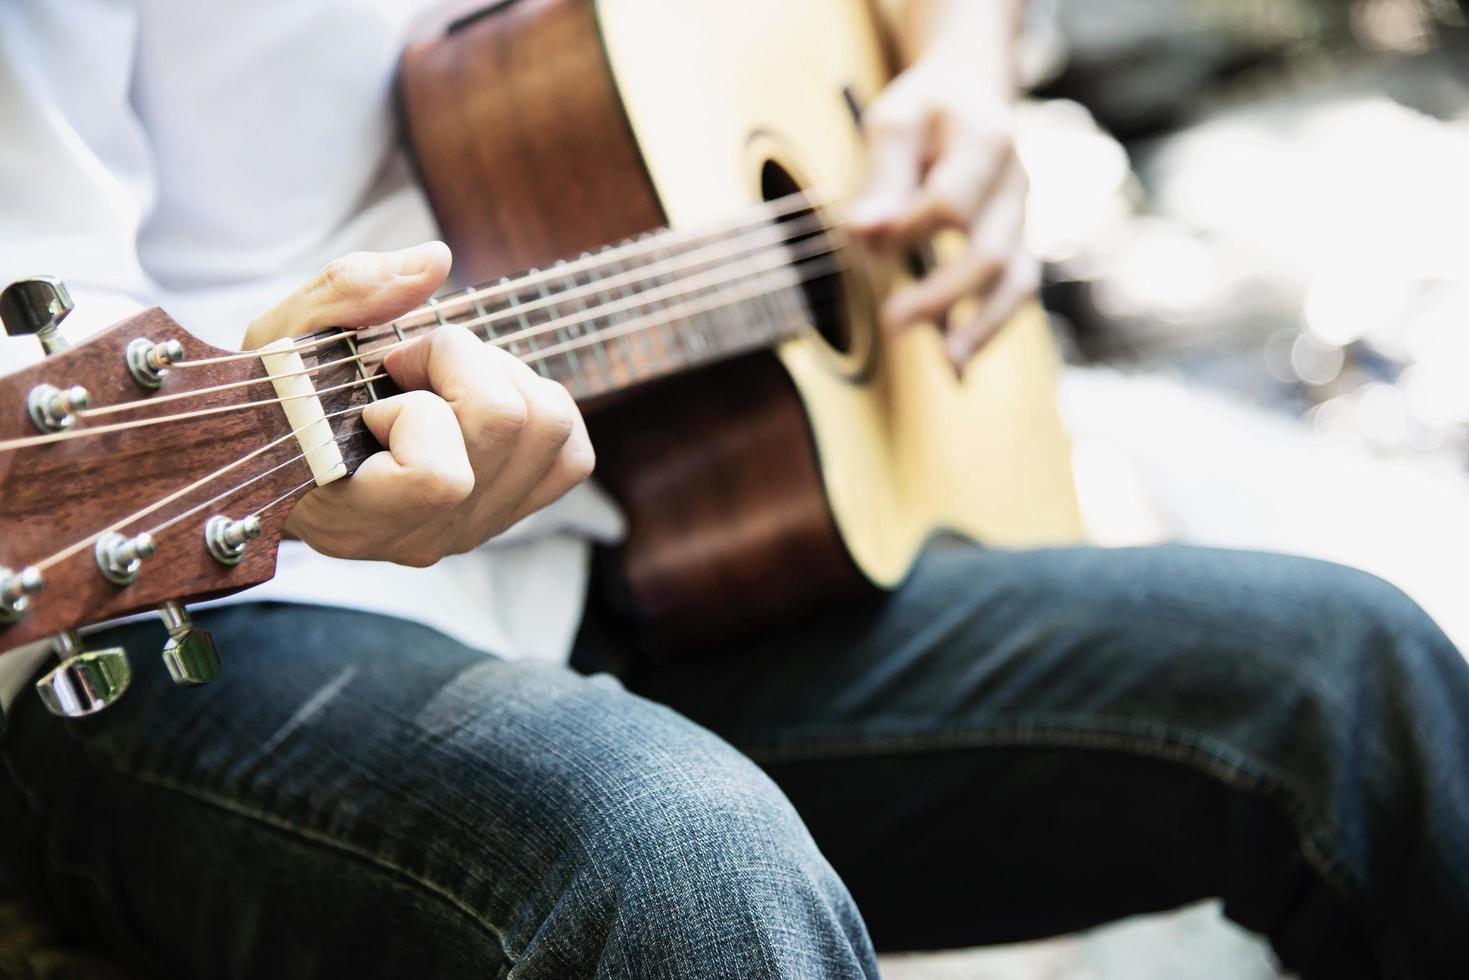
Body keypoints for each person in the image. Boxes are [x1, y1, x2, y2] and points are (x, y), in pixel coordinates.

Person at [1, 1, 1465, 978]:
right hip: (221, 599)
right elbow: (44, 342)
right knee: (677, 861)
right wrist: (320, 462)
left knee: (1349, 669)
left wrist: (960, 72)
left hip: (680, 537)